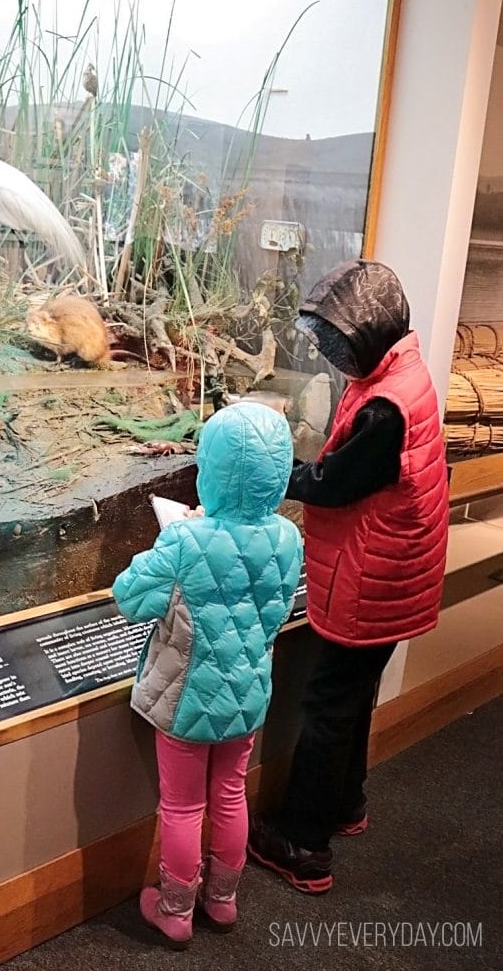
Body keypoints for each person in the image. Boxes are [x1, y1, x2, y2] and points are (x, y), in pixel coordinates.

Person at [247, 259, 450, 894]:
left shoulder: (385, 409)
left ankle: (303, 844)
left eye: (333, 341)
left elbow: (335, 486)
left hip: (374, 577)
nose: (326, 351)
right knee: (354, 695)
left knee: (328, 706)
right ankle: (345, 804)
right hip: (396, 570)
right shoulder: (403, 368)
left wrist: (275, 473)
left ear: (367, 333)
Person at [112, 402, 303, 949]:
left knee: (181, 805)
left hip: (185, 700)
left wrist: (188, 530)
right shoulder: (289, 537)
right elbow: (278, 604)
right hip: (247, 694)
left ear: (210, 470)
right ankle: (222, 898)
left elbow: (129, 597)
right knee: (230, 792)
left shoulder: (185, 540)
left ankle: (174, 909)